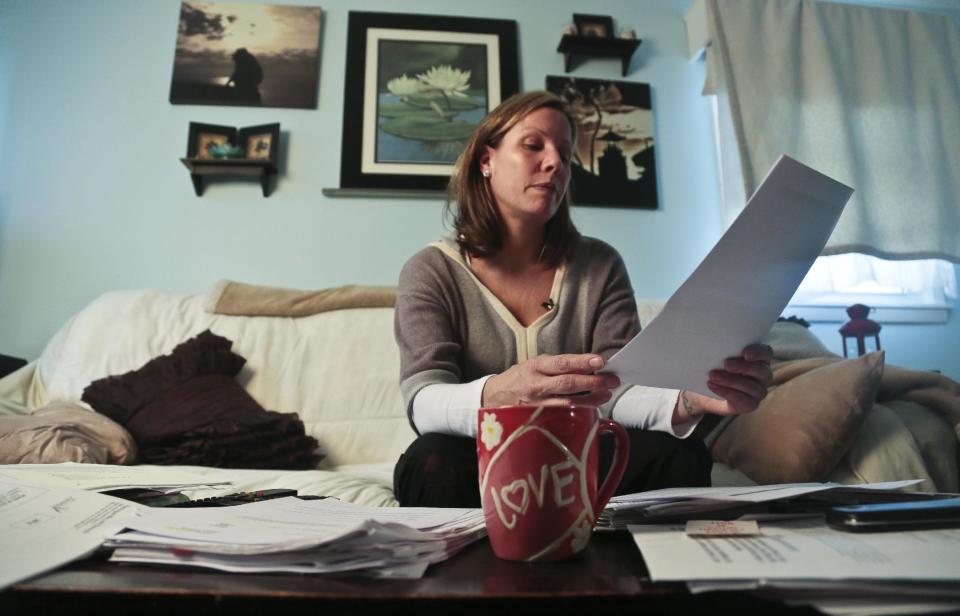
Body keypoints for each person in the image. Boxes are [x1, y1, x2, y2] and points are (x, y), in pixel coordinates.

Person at [392, 91, 773, 507]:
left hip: (579, 449)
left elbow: (618, 390)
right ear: (487, 161)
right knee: (431, 460)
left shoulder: (600, 265)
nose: (555, 163)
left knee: (679, 455)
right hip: (475, 453)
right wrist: (498, 394)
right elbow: (423, 401)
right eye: (533, 145)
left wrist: (690, 399)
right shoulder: (431, 270)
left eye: (565, 155)